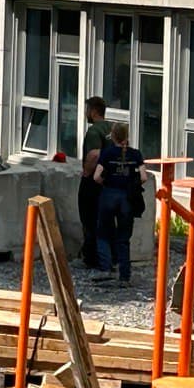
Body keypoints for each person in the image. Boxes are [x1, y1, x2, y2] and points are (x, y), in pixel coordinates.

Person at [93, 122, 147, 285]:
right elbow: (143, 177)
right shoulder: (136, 154)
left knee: (103, 233)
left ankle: (106, 268)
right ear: (127, 137)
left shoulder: (107, 153)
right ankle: (124, 275)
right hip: (127, 198)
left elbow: (96, 176)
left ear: (113, 136)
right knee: (123, 238)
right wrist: (131, 184)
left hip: (109, 195)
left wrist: (107, 183)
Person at [78, 97, 111, 270]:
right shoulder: (112, 128)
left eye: (87, 110)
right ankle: (108, 257)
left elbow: (94, 154)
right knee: (106, 220)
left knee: (89, 218)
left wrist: (86, 172)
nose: (85, 113)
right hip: (110, 182)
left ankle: (91, 257)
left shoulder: (94, 131)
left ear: (93, 111)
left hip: (94, 183)